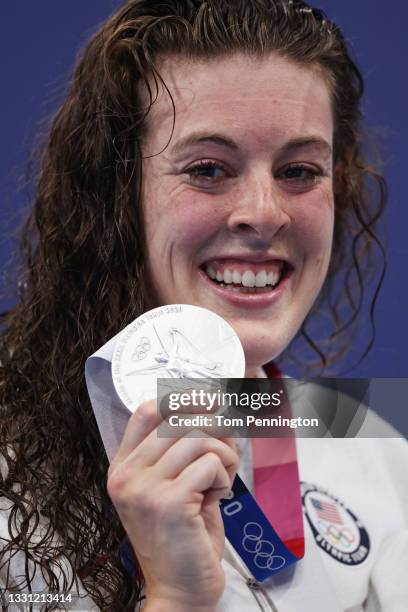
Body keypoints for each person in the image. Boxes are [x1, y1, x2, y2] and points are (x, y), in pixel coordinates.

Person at [0, 1, 407, 611]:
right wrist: (176, 599)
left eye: (300, 170)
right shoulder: (12, 460)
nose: (266, 212)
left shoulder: (374, 457)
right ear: (117, 196)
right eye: (209, 168)